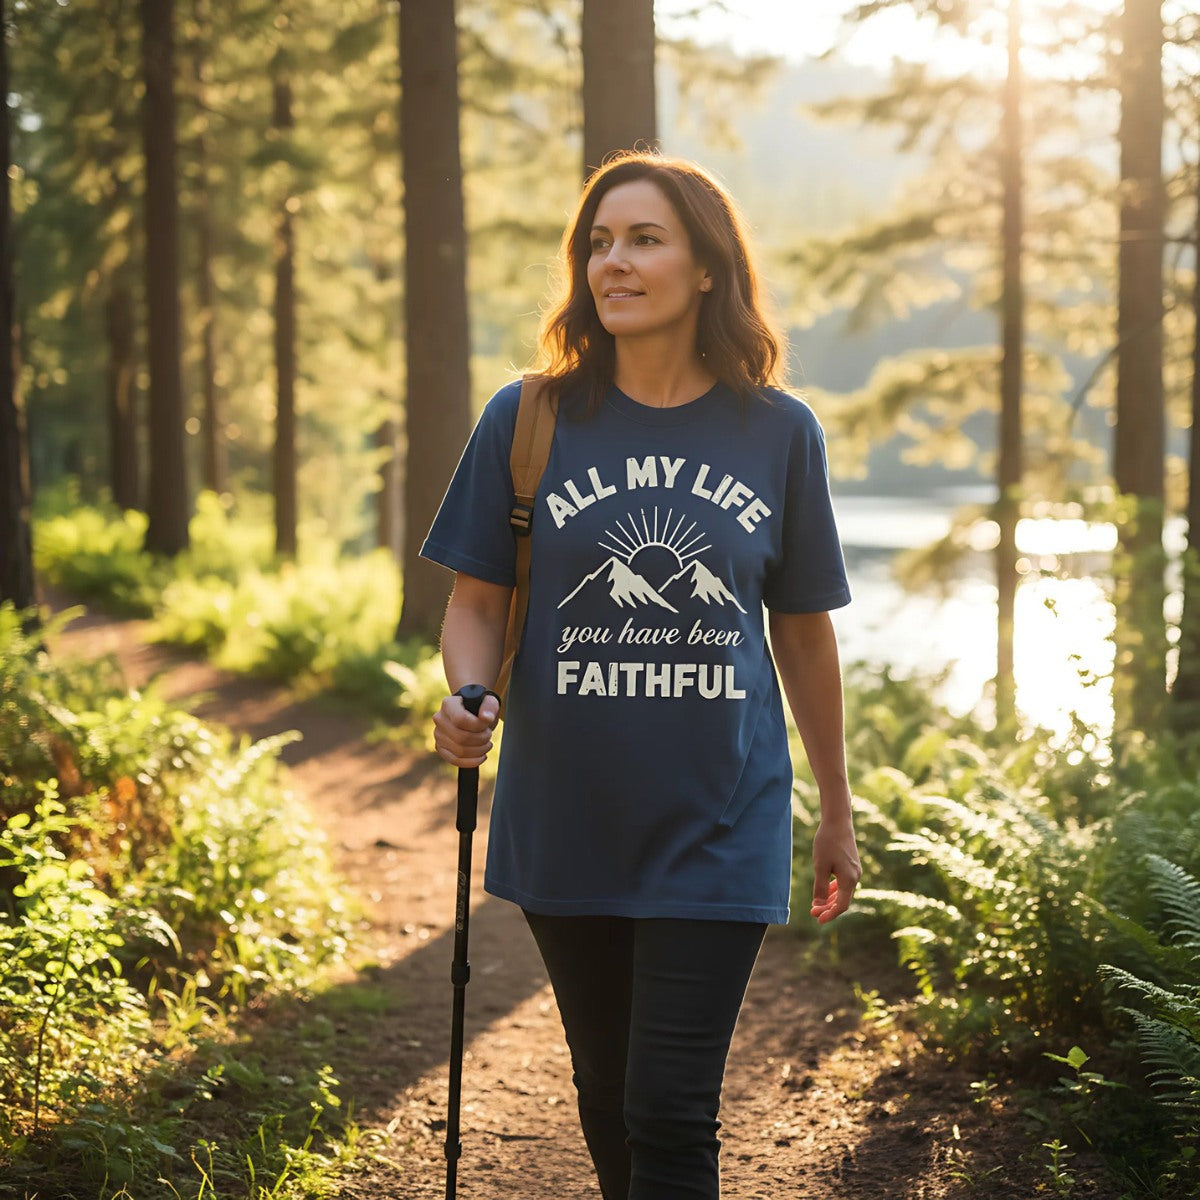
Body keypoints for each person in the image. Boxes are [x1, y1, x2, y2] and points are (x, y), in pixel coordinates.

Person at [421, 150, 861, 1200]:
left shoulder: (778, 432)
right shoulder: (528, 420)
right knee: (609, 1096)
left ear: (707, 268)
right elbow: (478, 602)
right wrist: (465, 693)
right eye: (598, 243)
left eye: (644, 240)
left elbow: (802, 633)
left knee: (670, 1109)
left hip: (720, 817)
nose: (613, 262)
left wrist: (836, 806)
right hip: (566, 813)